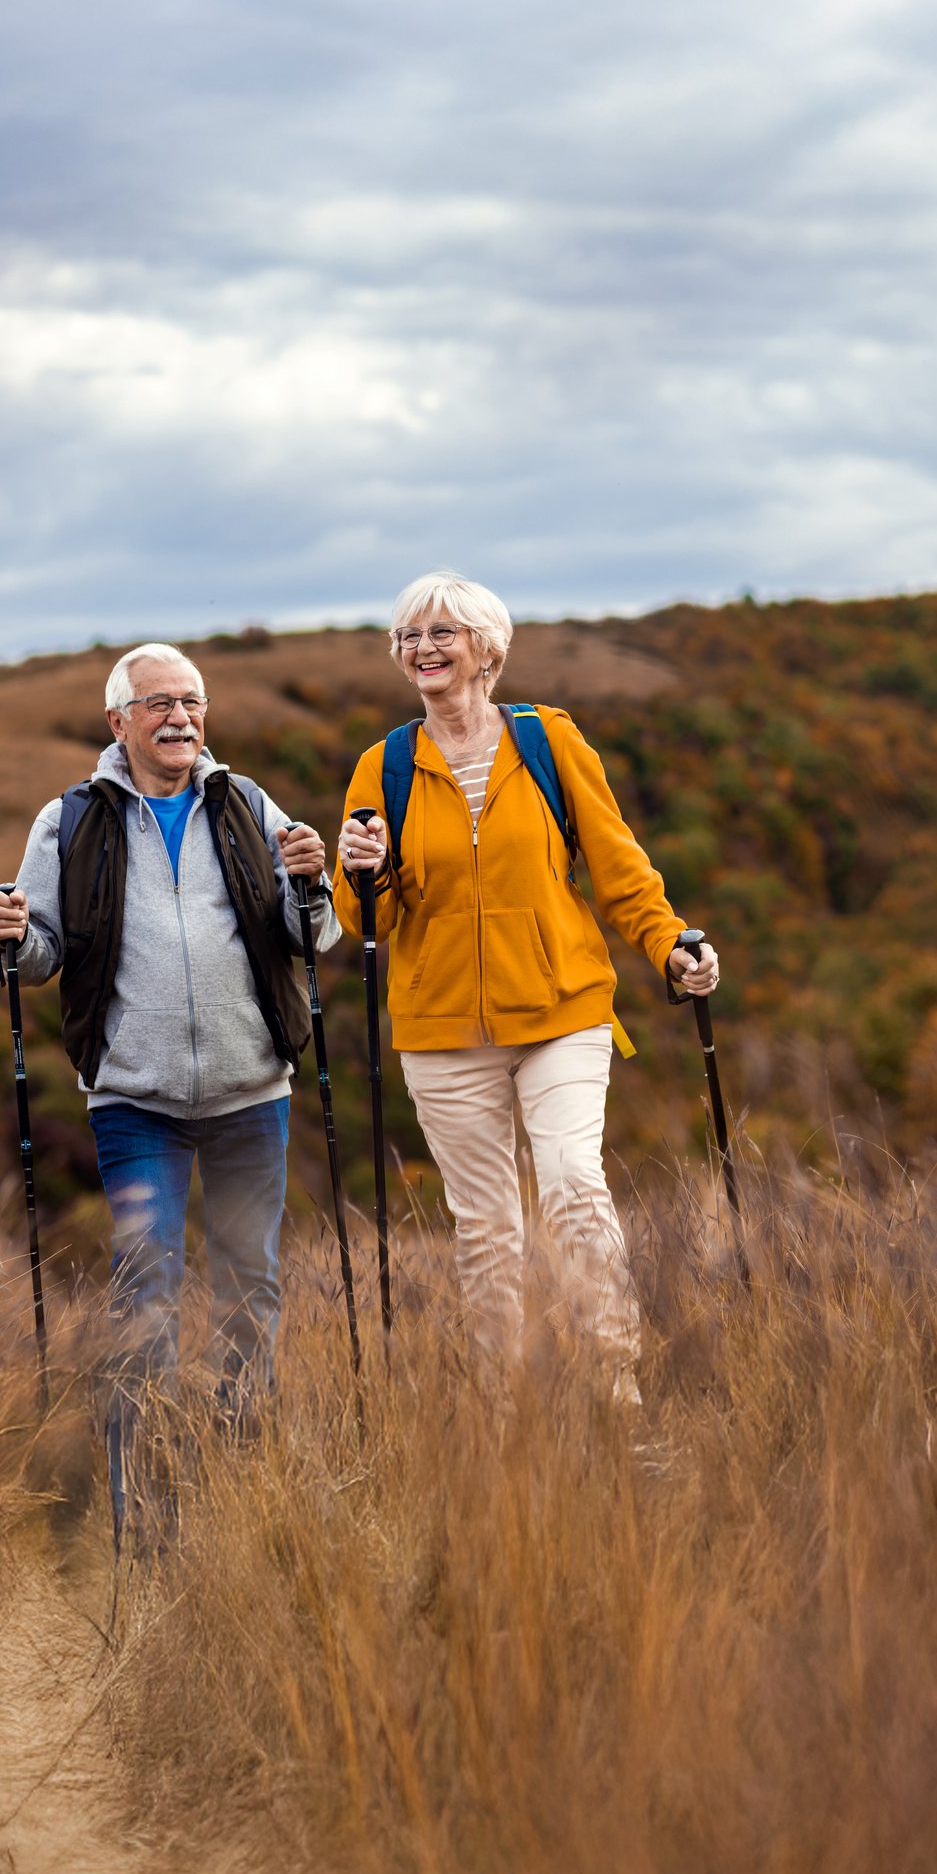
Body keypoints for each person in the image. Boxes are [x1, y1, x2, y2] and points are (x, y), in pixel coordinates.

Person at [334, 570, 721, 1402]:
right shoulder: (384, 766)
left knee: (574, 1186)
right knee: (485, 1229)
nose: (423, 648)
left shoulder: (548, 742)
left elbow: (619, 871)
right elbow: (367, 924)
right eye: (409, 635)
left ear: (487, 649)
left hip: (560, 1009)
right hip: (441, 1031)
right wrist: (358, 873)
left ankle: (620, 1393)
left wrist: (670, 947)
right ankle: (500, 1414)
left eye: (442, 633)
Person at [0, 643, 337, 1430]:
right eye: (159, 704)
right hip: (134, 1100)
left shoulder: (244, 801)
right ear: (120, 721)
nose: (181, 718)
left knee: (253, 1282)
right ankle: (139, 1473)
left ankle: (241, 1455)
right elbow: (38, 956)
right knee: (145, 1284)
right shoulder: (70, 819)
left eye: (192, 702)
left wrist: (313, 883)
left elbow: (311, 935)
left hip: (251, 1091)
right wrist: (9, 934)